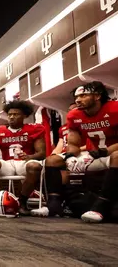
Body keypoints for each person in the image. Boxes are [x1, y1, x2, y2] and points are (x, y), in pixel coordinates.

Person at [38, 82, 118, 222]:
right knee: (52, 160)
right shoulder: (74, 115)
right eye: (76, 97)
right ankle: (54, 205)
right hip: (96, 154)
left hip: (112, 153)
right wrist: (71, 154)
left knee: (117, 156)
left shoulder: (115, 108)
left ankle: (101, 206)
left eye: (83, 95)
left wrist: (106, 151)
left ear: (97, 96)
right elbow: (74, 143)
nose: (78, 100)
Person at [0, 100, 46, 216]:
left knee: (34, 165)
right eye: (10, 114)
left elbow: (42, 153)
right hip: (8, 163)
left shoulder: (33, 129)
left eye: (15, 114)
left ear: (24, 116)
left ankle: (22, 202)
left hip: (25, 162)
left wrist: (29, 156)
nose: (11, 117)